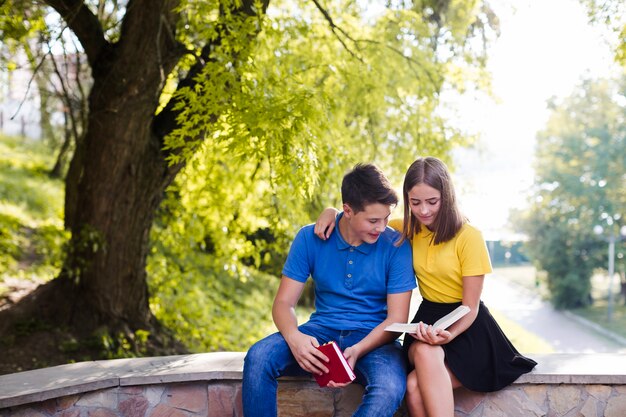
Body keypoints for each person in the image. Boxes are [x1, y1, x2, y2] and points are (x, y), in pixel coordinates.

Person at [315, 157, 537, 417]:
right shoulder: (406, 228)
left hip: (466, 324)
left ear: (447, 196)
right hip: (427, 318)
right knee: (423, 351)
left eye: (432, 202)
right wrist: (330, 211)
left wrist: (450, 335)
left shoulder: (470, 237)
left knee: (413, 386)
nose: (423, 211)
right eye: (415, 202)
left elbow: (471, 306)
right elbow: (360, 216)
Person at [242, 163, 417, 417]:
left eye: (386, 218)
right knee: (258, 358)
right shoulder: (309, 238)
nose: (382, 227)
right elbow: (283, 304)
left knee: (389, 387)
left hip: (375, 340)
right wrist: (295, 338)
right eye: (373, 220)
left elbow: (397, 320)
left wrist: (357, 350)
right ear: (347, 210)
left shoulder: (397, 246)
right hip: (321, 330)